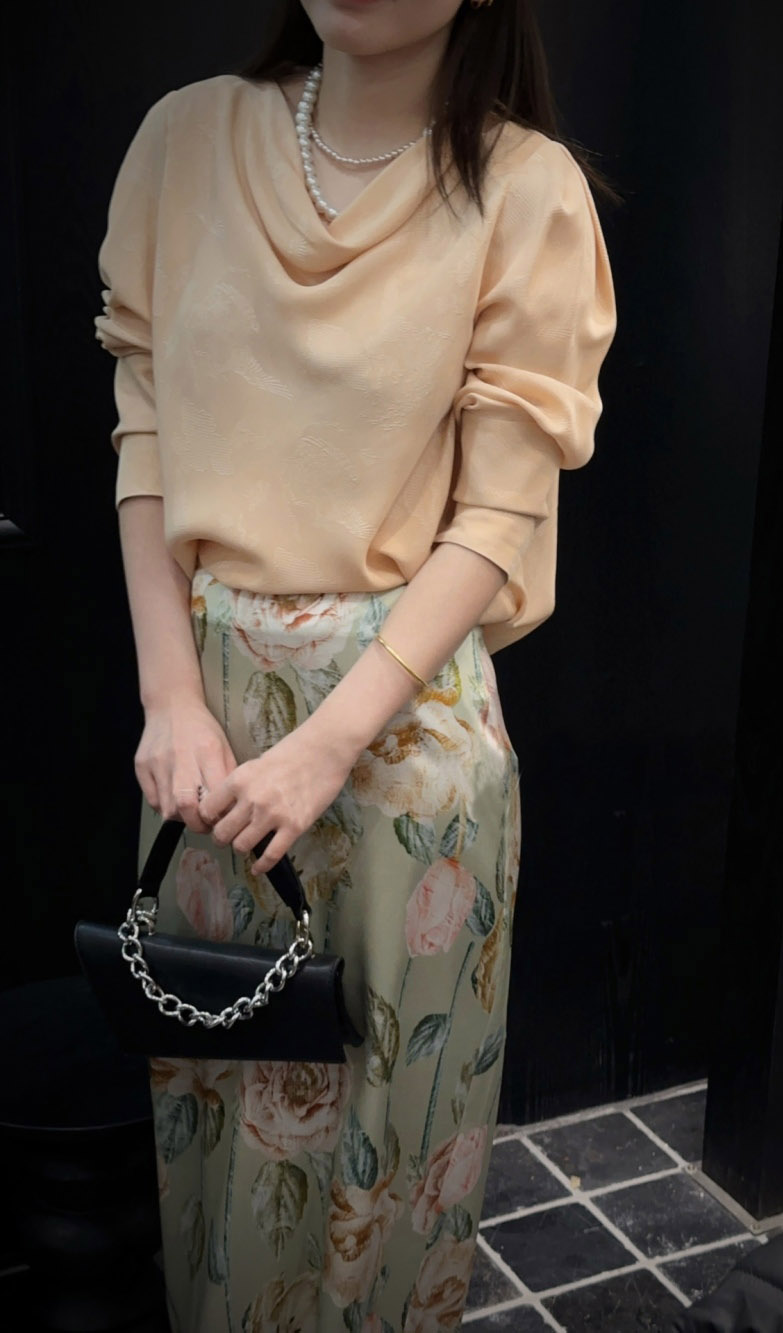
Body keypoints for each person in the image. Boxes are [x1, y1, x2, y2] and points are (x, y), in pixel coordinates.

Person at [94, 0, 615, 1327]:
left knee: (381, 1152)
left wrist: (326, 745)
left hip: (397, 745)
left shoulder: (526, 191)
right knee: (218, 1116)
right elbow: (144, 428)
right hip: (205, 739)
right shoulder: (185, 142)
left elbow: (497, 518)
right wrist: (169, 694)